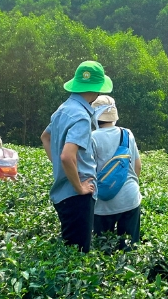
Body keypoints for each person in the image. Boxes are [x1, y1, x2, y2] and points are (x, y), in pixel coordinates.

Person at [41, 60, 113, 253]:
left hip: (62, 193)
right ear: (97, 89)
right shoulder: (81, 116)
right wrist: (79, 187)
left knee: (69, 250)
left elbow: (45, 137)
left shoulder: (63, 109)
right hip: (76, 197)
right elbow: (67, 156)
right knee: (78, 255)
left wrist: (60, 168)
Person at [90, 95, 142, 249]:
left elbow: (88, 171)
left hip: (103, 203)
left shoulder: (91, 138)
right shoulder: (127, 134)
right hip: (130, 198)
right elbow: (137, 166)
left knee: (103, 251)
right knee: (128, 250)